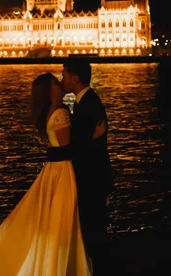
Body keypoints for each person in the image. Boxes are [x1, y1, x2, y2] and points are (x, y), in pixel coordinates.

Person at [0, 72, 104, 276]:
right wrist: (93, 137)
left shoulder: (53, 112)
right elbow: (68, 150)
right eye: (56, 83)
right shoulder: (60, 114)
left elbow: (59, 148)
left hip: (55, 171)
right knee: (62, 221)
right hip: (63, 172)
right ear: (50, 91)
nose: (60, 84)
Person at [47, 57, 114, 275]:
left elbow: (81, 146)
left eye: (64, 74)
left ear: (75, 78)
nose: (61, 79)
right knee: (91, 227)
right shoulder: (83, 101)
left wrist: (91, 140)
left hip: (92, 177)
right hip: (91, 175)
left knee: (93, 228)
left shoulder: (88, 103)